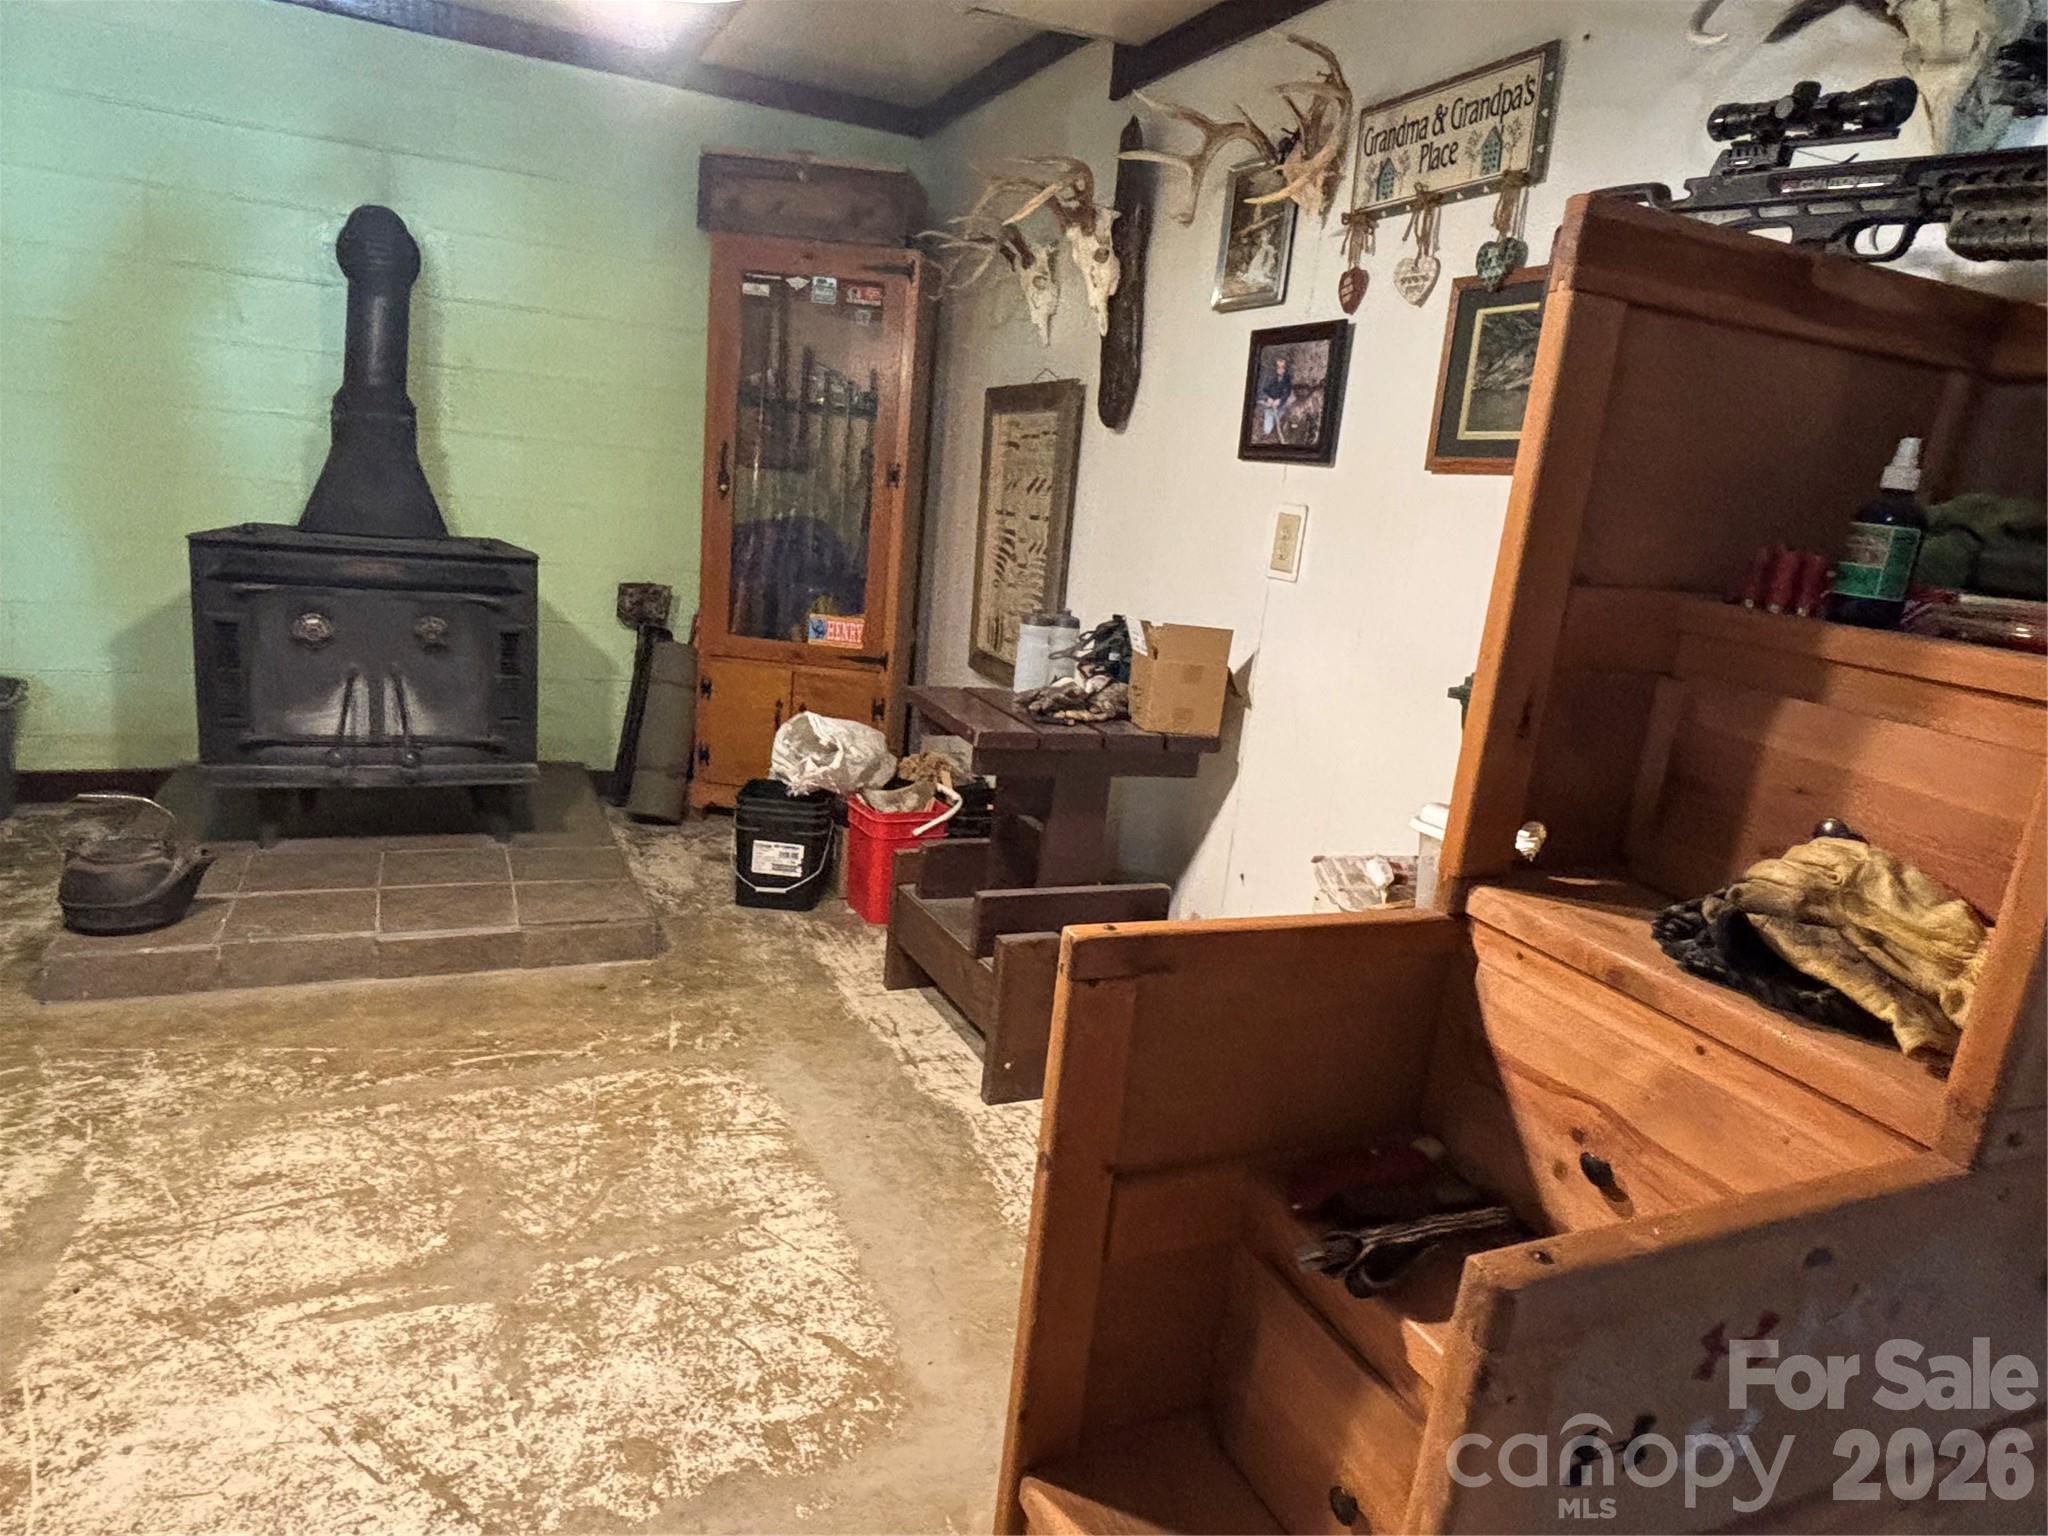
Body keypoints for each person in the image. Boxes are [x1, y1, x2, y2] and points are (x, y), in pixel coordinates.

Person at [1256, 353, 1293, 441]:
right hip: (1266, 402)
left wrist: (1280, 400)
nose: (1281, 370)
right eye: (1279, 367)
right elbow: (1259, 391)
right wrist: (1267, 398)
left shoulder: (1287, 378)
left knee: (1281, 420)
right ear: (1275, 367)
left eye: (1283, 367)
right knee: (1267, 430)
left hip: (1279, 404)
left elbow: (1287, 392)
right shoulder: (1267, 376)